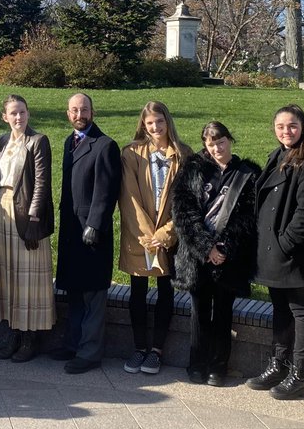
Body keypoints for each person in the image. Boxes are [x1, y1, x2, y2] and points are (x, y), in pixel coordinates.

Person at [248, 104, 304, 400]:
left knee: (300, 311)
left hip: (295, 253)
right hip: (272, 250)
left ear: (303, 127)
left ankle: (300, 375)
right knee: (280, 309)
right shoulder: (277, 156)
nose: (286, 131)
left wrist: (285, 244)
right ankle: (278, 365)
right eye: (280, 126)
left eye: (292, 126)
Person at [172, 121, 260, 386]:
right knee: (199, 312)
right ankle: (196, 363)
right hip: (198, 257)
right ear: (205, 146)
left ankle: (218, 366)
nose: (217, 148)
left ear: (229, 140)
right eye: (211, 145)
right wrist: (205, 247)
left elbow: (248, 216)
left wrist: (223, 248)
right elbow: (183, 212)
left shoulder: (248, 174)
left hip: (228, 259)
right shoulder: (193, 170)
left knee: (223, 312)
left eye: (221, 142)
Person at [117, 100, 192, 376]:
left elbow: (186, 200)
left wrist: (166, 234)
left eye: (159, 121)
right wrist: (148, 236)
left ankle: (156, 350)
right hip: (138, 235)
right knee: (137, 290)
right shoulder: (132, 153)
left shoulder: (183, 154)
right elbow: (129, 198)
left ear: (167, 121)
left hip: (168, 236)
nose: (155, 127)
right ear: (143, 125)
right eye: (150, 123)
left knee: (165, 291)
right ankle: (138, 347)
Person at [53, 92, 121, 374]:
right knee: (75, 292)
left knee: (93, 294)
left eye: (84, 110)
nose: (79, 115)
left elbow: (107, 191)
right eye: (74, 110)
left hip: (93, 232)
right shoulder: (71, 142)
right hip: (72, 231)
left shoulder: (105, 145)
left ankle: (90, 352)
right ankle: (73, 343)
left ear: (93, 112)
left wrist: (95, 224)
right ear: (68, 113)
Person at [0, 94, 55, 363]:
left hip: (26, 212)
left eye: (23, 112)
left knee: (30, 278)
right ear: (4, 117)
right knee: (8, 274)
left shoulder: (38, 141)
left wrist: (34, 220)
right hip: (2, 210)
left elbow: (41, 183)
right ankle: (13, 331)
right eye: (13, 113)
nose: (19, 118)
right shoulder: (3, 141)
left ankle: (31, 337)